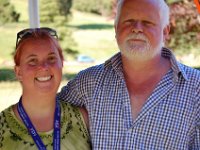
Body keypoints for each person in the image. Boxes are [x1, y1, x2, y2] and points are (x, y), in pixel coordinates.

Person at [58, 0, 200, 149]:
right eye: (129, 21)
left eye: (147, 22)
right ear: (116, 28)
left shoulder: (196, 89)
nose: (137, 29)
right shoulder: (87, 84)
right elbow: (44, 121)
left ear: (165, 31)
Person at [0, 28, 91, 150]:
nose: (44, 67)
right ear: (18, 72)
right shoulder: (2, 128)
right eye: (32, 61)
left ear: (62, 64)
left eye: (51, 58)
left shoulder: (84, 120)